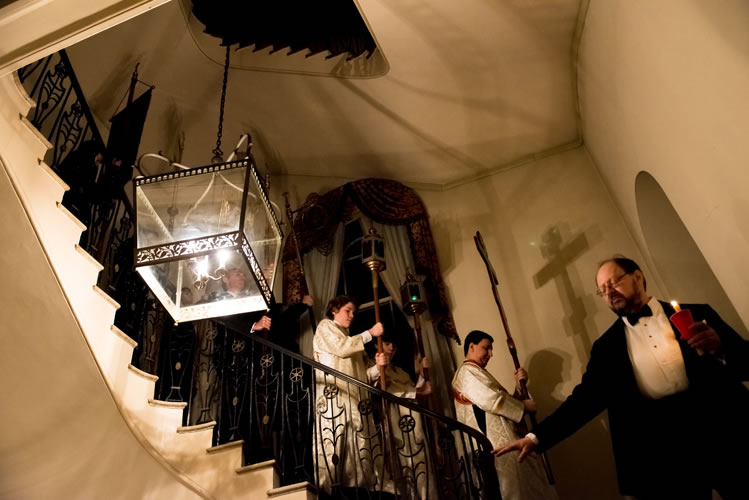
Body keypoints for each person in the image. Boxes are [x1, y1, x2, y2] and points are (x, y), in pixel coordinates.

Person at [494, 256, 749, 499]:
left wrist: (722, 348)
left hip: (726, 435)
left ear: (638, 277)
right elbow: (584, 402)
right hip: (661, 456)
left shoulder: (698, 314)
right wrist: (536, 437)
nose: (609, 292)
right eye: (602, 289)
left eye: (614, 282)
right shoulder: (606, 348)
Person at [452, 330, 557, 500]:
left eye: (491, 349)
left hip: (508, 441)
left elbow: (501, 407)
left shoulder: (479, 372)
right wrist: (523, 406)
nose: (491, 354)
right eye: (486, 348)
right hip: (494, 447)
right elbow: (491, 400)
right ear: (471, 346)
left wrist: (518, 389)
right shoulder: (466, 372)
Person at [312, 295, 385, 493]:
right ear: (334, 310)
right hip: (335, 397)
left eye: (354, 312)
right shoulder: (326, 327)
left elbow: (362, 375)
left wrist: (378, 367)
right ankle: (327, 489)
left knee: (358, 444)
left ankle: (358, 486)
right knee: (335, 441)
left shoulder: (351, 339)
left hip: (355, 399)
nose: (352, 315)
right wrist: (370, 333)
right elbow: (341, 348)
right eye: (347, 310)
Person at [367, 333, 433, 499]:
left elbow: (417, 395)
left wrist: (422, 374)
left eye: (394, 346)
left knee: (420, 462)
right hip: (392, 420)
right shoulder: (371, 367)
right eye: (387, 343)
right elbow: (387, 390)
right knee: (400, 463)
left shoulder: (401, 372)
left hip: (413, 423)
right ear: (376, 345)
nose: (391, 348)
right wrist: (417, 391)